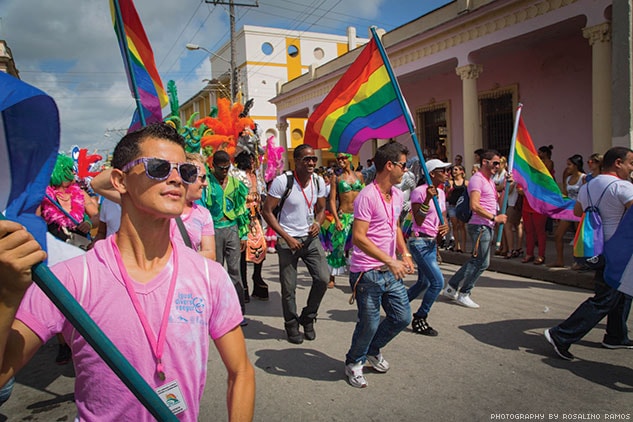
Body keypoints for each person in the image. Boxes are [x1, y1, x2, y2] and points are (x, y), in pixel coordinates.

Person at [0, 123, 255, 420]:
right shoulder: (72, 279)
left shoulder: (209, 276)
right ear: (120, 181)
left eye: (184, 171)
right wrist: (7, 297)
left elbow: (241, 372)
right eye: (158, 167)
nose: (175, 178)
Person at [544, 146, 633, 360]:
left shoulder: (588, 185)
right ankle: (561, 335)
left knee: (622, 291)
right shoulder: (624, 187)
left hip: (597, 247)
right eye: (630, 162)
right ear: (618, 162)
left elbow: (577, 212)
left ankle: (615, 336)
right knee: (605, 298)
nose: (632, 168)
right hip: (617, 251)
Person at [344, 141, 415, 389]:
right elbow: (359, 238)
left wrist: (404, 253)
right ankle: (354, 361)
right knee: (370, 323)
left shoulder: (396, 195)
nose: (406, 170)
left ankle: (372, 349)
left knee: (402, 317)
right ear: (389, 165)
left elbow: (394, 225)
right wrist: (389, 260)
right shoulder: (367, 196)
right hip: (368, 273)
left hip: (389, 271)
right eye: (403, 165)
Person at [262, 144, 329, 344]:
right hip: (287, 240)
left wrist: (318, 222)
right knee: (289, 288)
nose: (311, 163)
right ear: (296, 161)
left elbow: (322, 208)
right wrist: (286, 237)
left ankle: (308, 318)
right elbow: (267, 211)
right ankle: (291, 325)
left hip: (310, 240)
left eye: (313, 159)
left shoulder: (317, 181)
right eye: (306, 159)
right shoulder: (283, 182)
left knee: (323, 279)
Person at [443, 149, 509, 308]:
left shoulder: (490, 181)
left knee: (477, 260)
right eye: (494, 163)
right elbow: (474, 205)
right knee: (482, 262)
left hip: (487, 225)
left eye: (499, 163)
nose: (497, 166)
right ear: (485, 162)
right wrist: (494, 218)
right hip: (480, 225)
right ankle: (464, 293)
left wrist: (507, 185)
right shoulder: (477, 179)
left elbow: (496, 203)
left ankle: (452, 287)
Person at [407, 159, 451, 336]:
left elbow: (444, 216)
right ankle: (420, 316)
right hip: (420, 242)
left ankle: (398, 305)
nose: (447, 173)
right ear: (432, 173)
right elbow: (418, 219)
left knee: (423, 282)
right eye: (443, 170)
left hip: (432, 242)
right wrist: (427, 198)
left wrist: (445, 226)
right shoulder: (419, 192)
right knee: (438, 282)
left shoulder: (441, 192)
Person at [205, 150, 250, 319]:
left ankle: (238, 311)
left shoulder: (235, 183)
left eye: (227, 168)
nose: (225, 171)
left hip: (232, 228)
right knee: (216, 271)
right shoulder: (207, 183)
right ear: (213, 166)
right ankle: (215, 311)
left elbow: (241, 209)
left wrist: (243, 234)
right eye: (221, 168)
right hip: (213, 229)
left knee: (234, 270)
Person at [234, 151, 269, 301]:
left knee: (260, 249)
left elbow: (264, 193)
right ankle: (244, 285)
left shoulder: (258, 177)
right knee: (242, 252)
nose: (254, 162)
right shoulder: (238, 177)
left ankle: (257, 278)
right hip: (243, 219)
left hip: (257, 219)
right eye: (251, 160)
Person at [326, 153, 365, 288]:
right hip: (344, 215)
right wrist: (336, 218)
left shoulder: (359, 176)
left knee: (362, 246)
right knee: (337, 245)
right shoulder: (336, 178)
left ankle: (361, 275)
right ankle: (331, 276)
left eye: (343, 158)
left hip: (360, 216)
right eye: (338, 158)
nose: (340, 160)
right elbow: (332, 200)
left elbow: (365, 194)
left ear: (349, 159)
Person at [548, 154, 585, 268]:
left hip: (580, 210)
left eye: (569, 165)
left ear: (576, 165)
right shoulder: (568, 178)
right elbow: (565, 194)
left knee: (579, 237)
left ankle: (579, 262)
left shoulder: (583, 178)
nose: (567, 167)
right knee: (558, 235)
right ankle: (560, 260)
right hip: (568, 210)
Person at [446, 164, 468, 253]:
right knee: (454, 225)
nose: (454, 171)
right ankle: (456, 245)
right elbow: (447, 193)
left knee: (462, 226)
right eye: (453, 170)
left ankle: (463, 246)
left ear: (461, 171)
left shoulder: (466, 182)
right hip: (452, 205)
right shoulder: (451, 182)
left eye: (456, 170)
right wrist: (448, 188)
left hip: (462, 206)